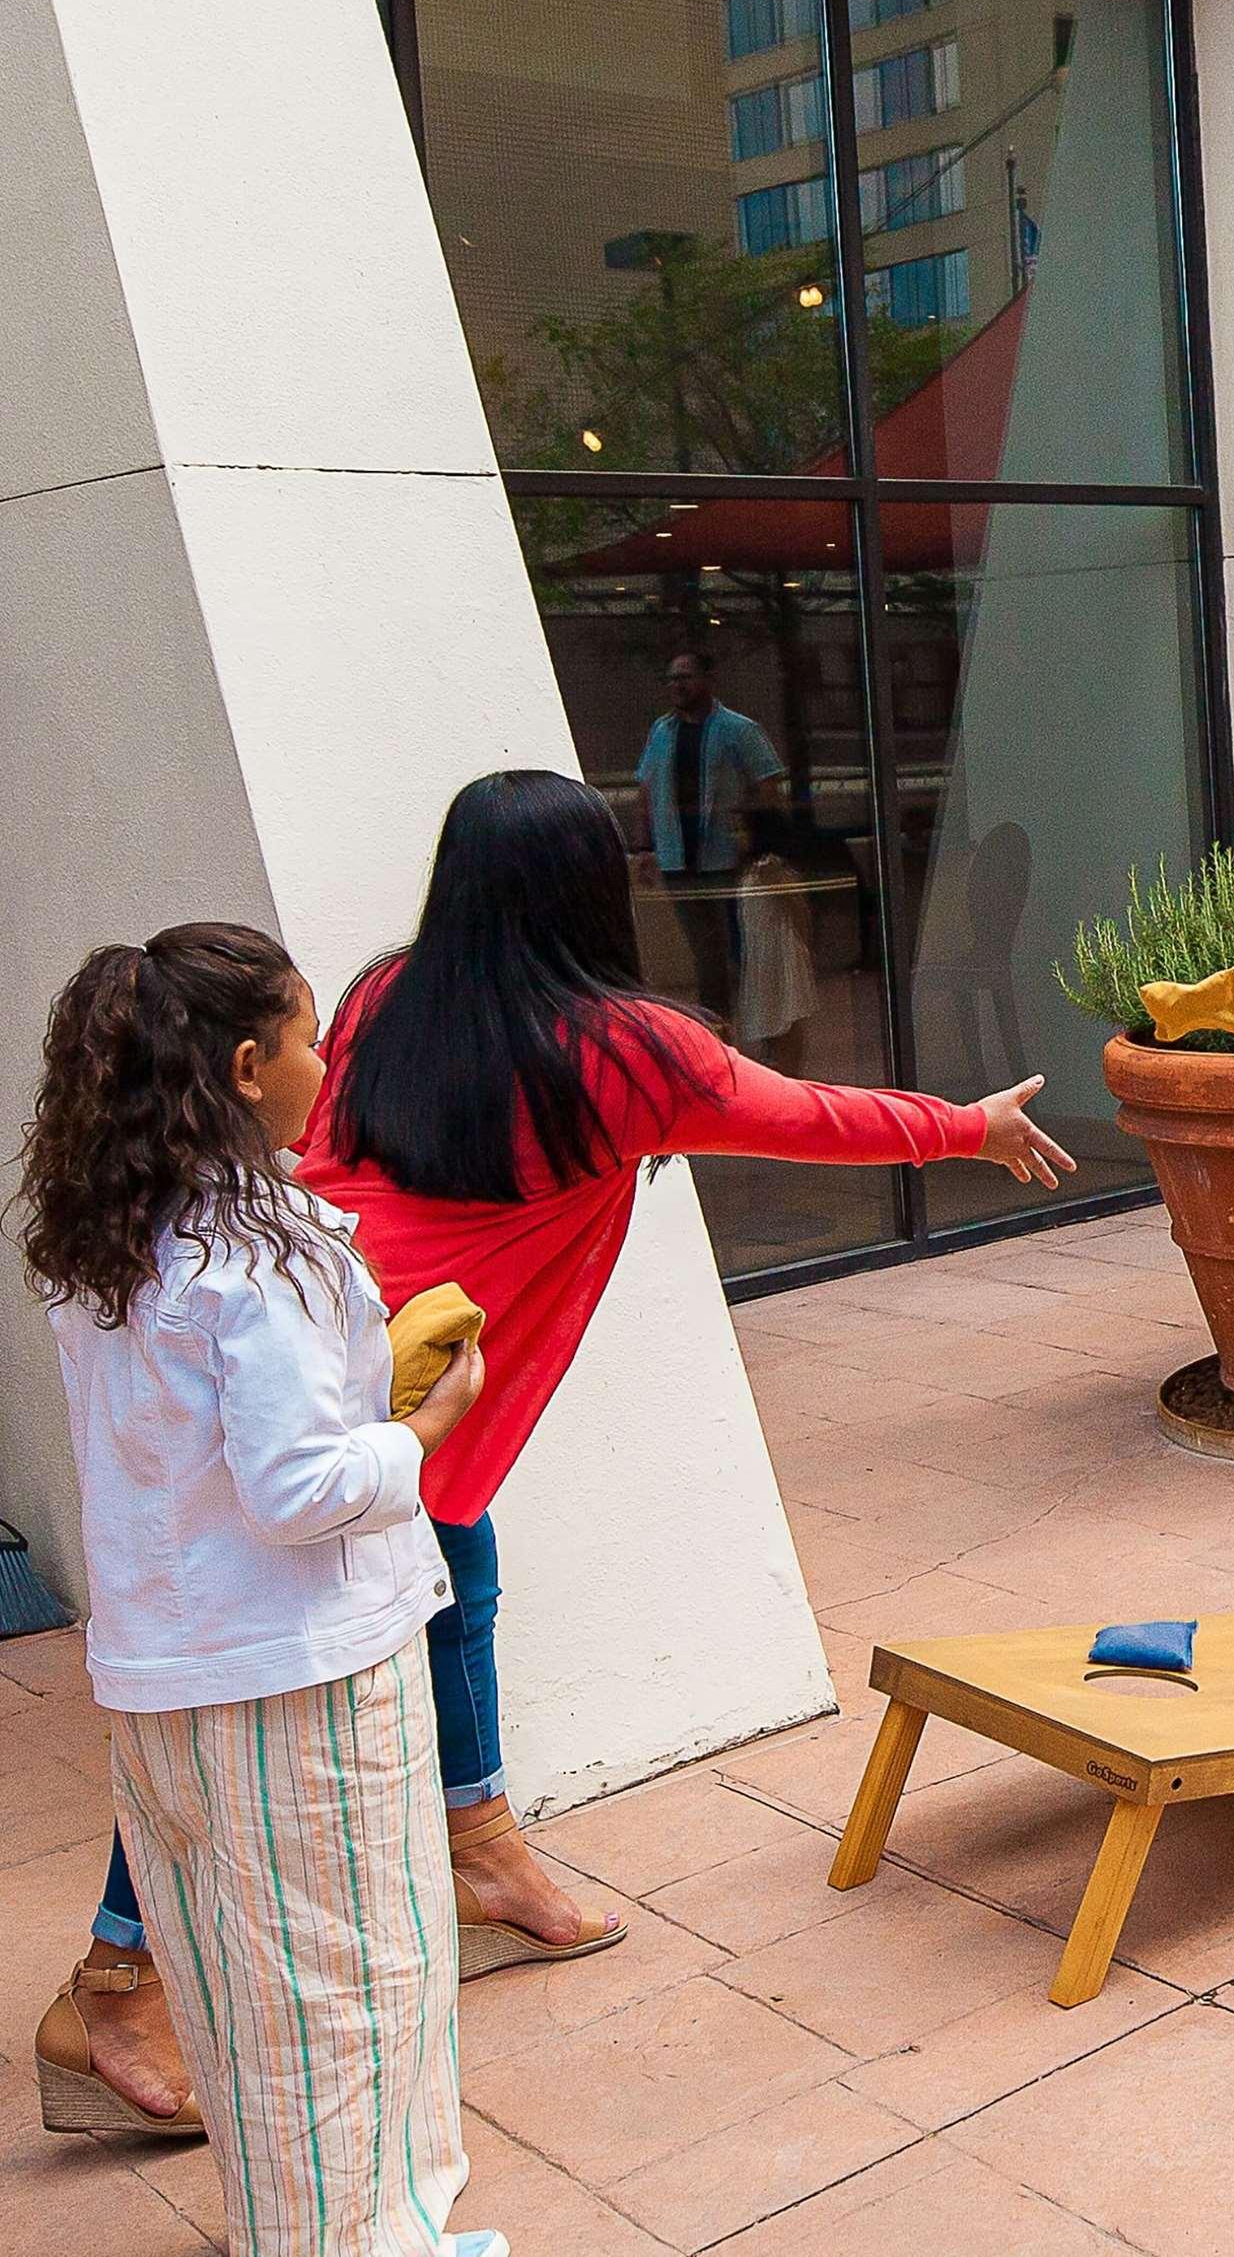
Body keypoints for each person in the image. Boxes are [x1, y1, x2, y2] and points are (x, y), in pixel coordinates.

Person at [48, 768, 1072, 2138]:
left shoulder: (383, 993)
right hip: (390, 1376)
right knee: (241, 1696)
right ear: (598, 886)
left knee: (457, 1578)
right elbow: (805, 1115)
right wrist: (969, 1126)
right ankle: (116, 1978)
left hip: (333, 1330)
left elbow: (330, 1156)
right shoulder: (628, 1049)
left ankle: (479, 1845)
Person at [18, 923, 509, 2256]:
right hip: (302, 1681)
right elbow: (296, 1490)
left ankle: (313, 2229)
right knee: (352, 1987)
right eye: (307, 1039)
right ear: (244, 1066)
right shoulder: (261, 1253)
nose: (324, 1063)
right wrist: (423, 1428)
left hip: (167, 1682)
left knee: (242, 1998)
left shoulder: (112, 1236)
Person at [637, 651, 785, 1032]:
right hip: (677, 858)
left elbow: (769, 785)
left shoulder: (738, 729)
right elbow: (647, 788)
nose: (677, 685)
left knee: (738, 945)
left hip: (725, 857)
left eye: (685, 677)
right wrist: (646, 847)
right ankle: (718, 1025)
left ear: (707, 679)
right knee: (704, 948)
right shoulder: (661, 731)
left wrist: (746, 825)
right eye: (672, 678)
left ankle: (749, 1024)